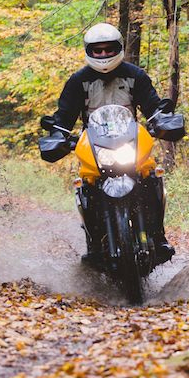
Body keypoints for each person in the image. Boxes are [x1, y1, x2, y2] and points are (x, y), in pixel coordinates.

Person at [46, 22, 174, 265]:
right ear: (89, 51)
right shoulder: (78, 81)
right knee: (87, 183)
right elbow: (64, 115)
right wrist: (57, 133)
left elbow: (152, 106)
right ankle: (94, 245)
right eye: (97, 50)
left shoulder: (135, 75)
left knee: (151, 176)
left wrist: (162, 119)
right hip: (94, 144)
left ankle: (158, 237)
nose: (103, 55)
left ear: (119, 48)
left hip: (129, 141)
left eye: (108, 49)